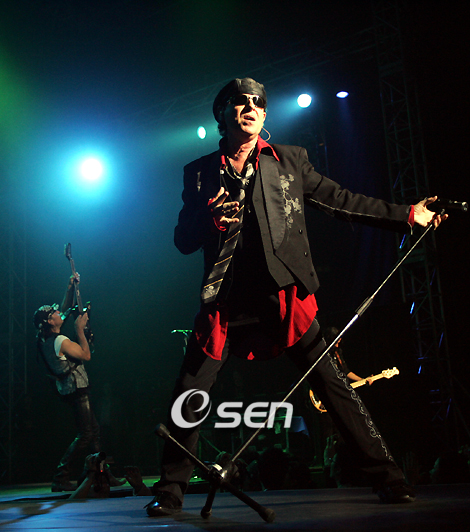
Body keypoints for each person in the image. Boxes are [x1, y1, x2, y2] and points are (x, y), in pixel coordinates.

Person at [146, 77, 447, 516]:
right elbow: (182, 240)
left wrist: (406, 215)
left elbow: (341, 200)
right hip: (226, 300)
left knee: (332, 384)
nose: (250, 106)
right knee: (190, 392)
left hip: (282, 296)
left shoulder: (288, 160)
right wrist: (209, 219)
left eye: (258, 102)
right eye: (239, 101)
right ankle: (170, 490)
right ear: (222, 114)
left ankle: (388, 477)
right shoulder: (199, 172)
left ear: (265, 115)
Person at [33, 274, 100, 492]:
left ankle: (100, 474)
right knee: (86, 434)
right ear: (50, 322)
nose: (58, 313)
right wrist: (80, 330)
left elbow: (63, 310)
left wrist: (70, 287)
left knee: (93, 430)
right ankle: (61, 475)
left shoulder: (44, 339)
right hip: (77, 388)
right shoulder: (61, 341)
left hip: (68, 389)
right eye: (53, 314)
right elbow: (86, 355)